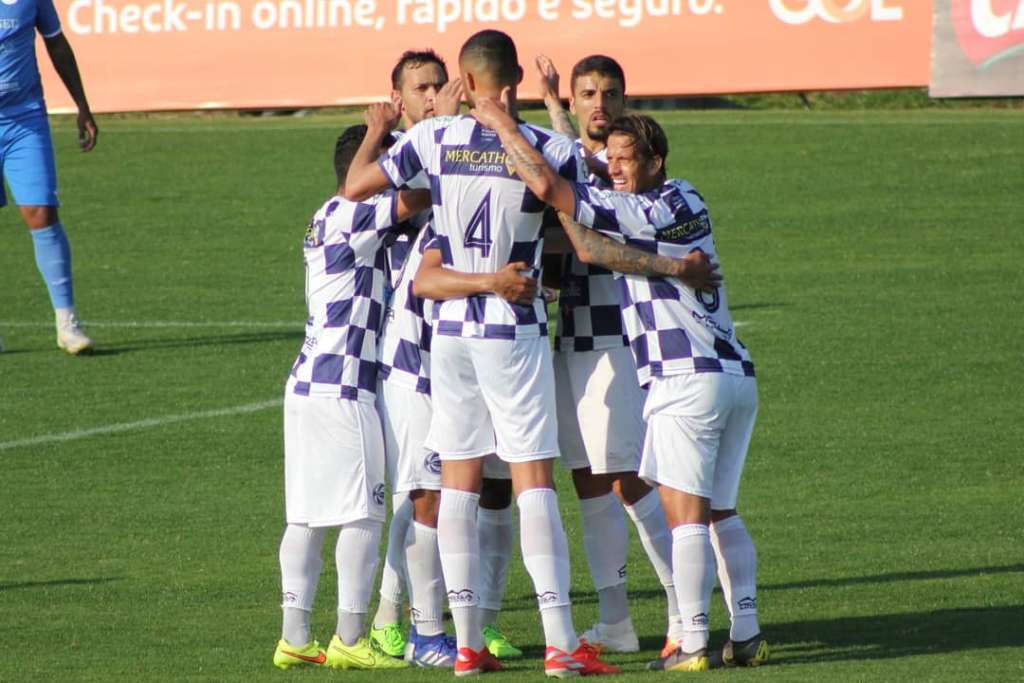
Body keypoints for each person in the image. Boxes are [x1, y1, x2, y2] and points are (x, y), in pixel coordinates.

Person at [344, 29, 621, 677]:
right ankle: (559, 641)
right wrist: (507, 126)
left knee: (460, 483)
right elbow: (572, 193)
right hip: (512, 327)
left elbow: (357, 184)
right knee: (531, 479)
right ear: (515, 78)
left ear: (460, 83)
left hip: (450, 335)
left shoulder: (432, 139)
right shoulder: (545, 145)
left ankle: (466, 644)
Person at [470, 105, 769, 671]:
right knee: (721, 513)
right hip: (734, 375)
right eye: (612, 159)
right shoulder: (688, 197)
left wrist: (504, 125)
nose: (616, 168)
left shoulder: (634, 209)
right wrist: (560, 110)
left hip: (684, 380)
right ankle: (747, 634)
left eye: (627, 159)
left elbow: (557, 193)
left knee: (685, 518)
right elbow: (586, 174)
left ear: (656, 161)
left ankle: (692, 642)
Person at [536, 54, 683, 657]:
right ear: (575, 100)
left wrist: (549, 109)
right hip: (569, 338)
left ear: (626, 101)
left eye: (611, 92)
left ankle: (685, 609)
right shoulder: (578, 157)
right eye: (588, 92)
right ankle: (617, 622)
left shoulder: (626, 169)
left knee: (627, 478)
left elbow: (583, 179)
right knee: (590, 483)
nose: (600, 102)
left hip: (617, 340)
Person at [272, 125, 430, 671]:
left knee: (308, 518)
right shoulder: (353, 212)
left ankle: (295, 636)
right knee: (364, 514)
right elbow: (425, 196)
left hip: (307, 384)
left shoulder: (326, 216)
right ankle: (349, 637)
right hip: (344, 387)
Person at [3, 0, 98, 354]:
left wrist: (82, 105)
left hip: (24, 119)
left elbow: (56, 42)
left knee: (41, 211)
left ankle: (67, 322)